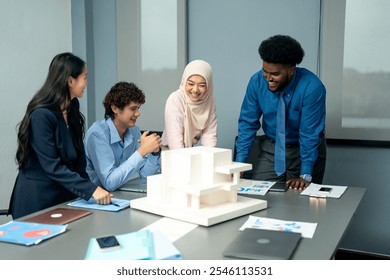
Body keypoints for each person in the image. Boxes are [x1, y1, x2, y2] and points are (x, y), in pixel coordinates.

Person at [8, 52, 112, 219]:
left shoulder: (72, 107)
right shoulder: (41, 115)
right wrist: (90, 190)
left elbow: (79, 157)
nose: (87, 83)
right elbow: (52, 166)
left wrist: (89, 189)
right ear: (70, 81)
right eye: (84, 77)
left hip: (64, 195)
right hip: (38, 200)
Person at [235, 35, 326, 190]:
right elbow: (247, 123)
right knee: (258, 196)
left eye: (275, 74)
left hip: (304, 151)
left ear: (291, 69)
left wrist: (305, 174)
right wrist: (239, 165)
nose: (269, 78)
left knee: (301, 205)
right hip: (272, 149)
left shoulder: (312, 87)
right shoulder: (256, 82)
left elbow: (309, 134)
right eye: (265, 72)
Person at [84, 81, 161, 192]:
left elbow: (145, 174)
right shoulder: (97, 134)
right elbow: (109, 182)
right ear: (115, 108)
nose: (138, 113)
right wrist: (141, 151)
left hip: (118, 196)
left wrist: (154, 152)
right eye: (133, 109)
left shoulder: (134, 131)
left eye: (138, 108)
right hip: (95, 199)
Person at [161, 59, 217, 149]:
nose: (195, 90)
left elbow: (210, 136)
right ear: (184, 82)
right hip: (169, 152)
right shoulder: (176, 98)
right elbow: (175, 143)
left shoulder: (209, 100)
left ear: (209, 86)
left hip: (189, 151)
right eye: (191, 84)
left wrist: (209, 158)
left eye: (202, 85)